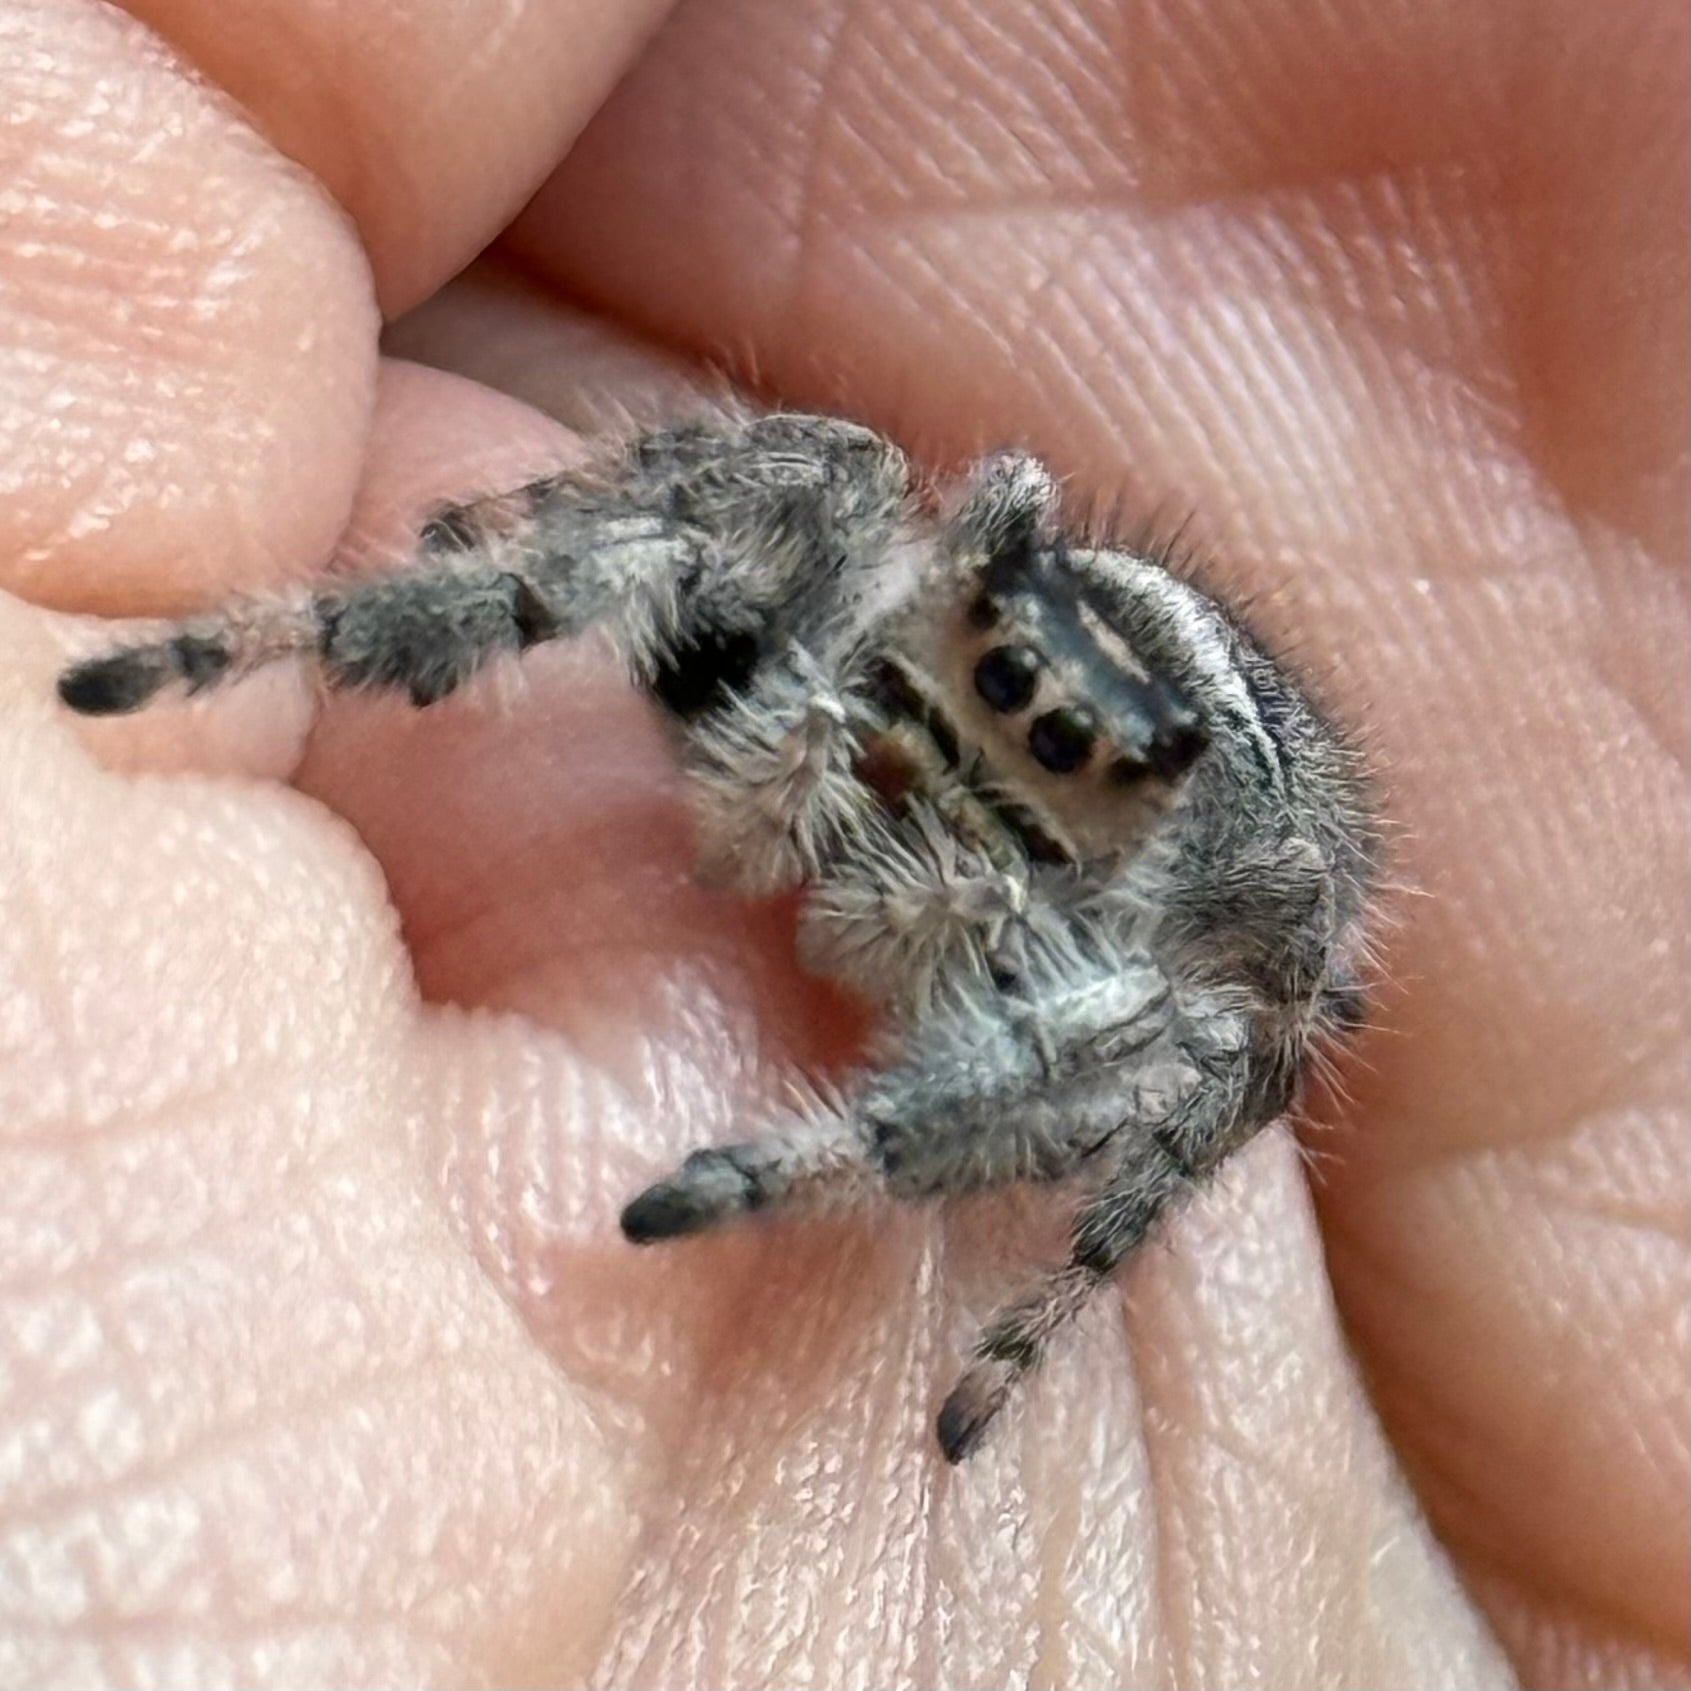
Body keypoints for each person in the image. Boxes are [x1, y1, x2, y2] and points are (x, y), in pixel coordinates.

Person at [3, 0, 1685, 1685]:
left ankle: (844, 1167)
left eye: (1049, 758)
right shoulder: (875, 628)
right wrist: (464, 566)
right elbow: (721, 507)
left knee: (1205, 1019)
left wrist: (948, 1243)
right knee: (805, 483)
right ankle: (280, 637)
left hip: (1140, 896)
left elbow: (1262, 1019)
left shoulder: (1175, 933)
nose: (941, 792)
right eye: (994, 692)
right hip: (925, 662)